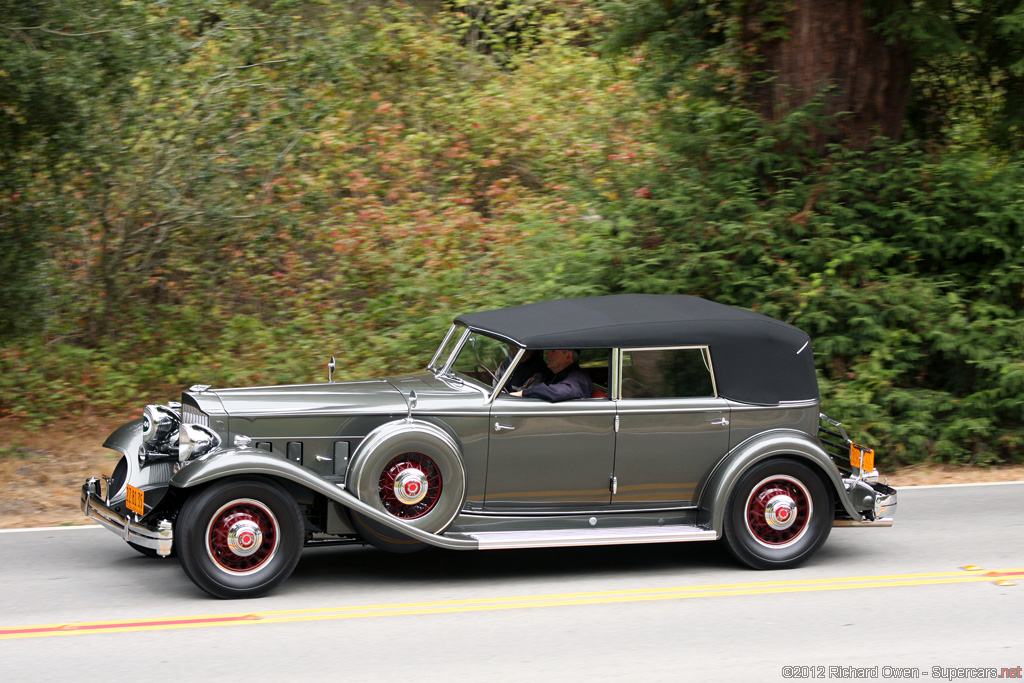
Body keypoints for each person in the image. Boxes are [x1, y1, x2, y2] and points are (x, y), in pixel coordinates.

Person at [511, 349, 593, 402]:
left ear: (568, 355)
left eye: (553, 351)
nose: (547, 354)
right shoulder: (555, 374)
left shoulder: (578, 378)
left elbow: (559, 392)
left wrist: (523, 393)